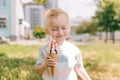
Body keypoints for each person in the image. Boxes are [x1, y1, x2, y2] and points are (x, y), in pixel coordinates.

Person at [35, 8, 91, 80]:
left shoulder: (74, 49)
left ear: (69, 28)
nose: (60, 32)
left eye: (63, 28)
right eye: (54, 29)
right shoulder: (44, 50)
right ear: (48, 31)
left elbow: (79, 68)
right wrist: (45, 65)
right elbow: (38, 70)